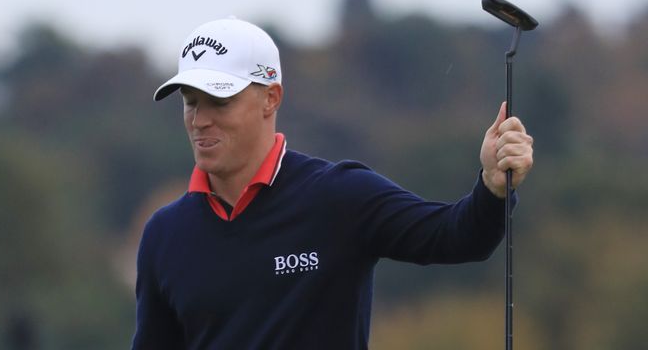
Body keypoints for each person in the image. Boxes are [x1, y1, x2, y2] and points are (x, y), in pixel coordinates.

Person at [132, 18, 534, 349]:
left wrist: (493, 186)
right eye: (190, 101)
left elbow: (457, 236)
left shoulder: (339, 197)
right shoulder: (165, 235)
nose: (200, 120)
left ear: (271, 98)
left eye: (219, 101)